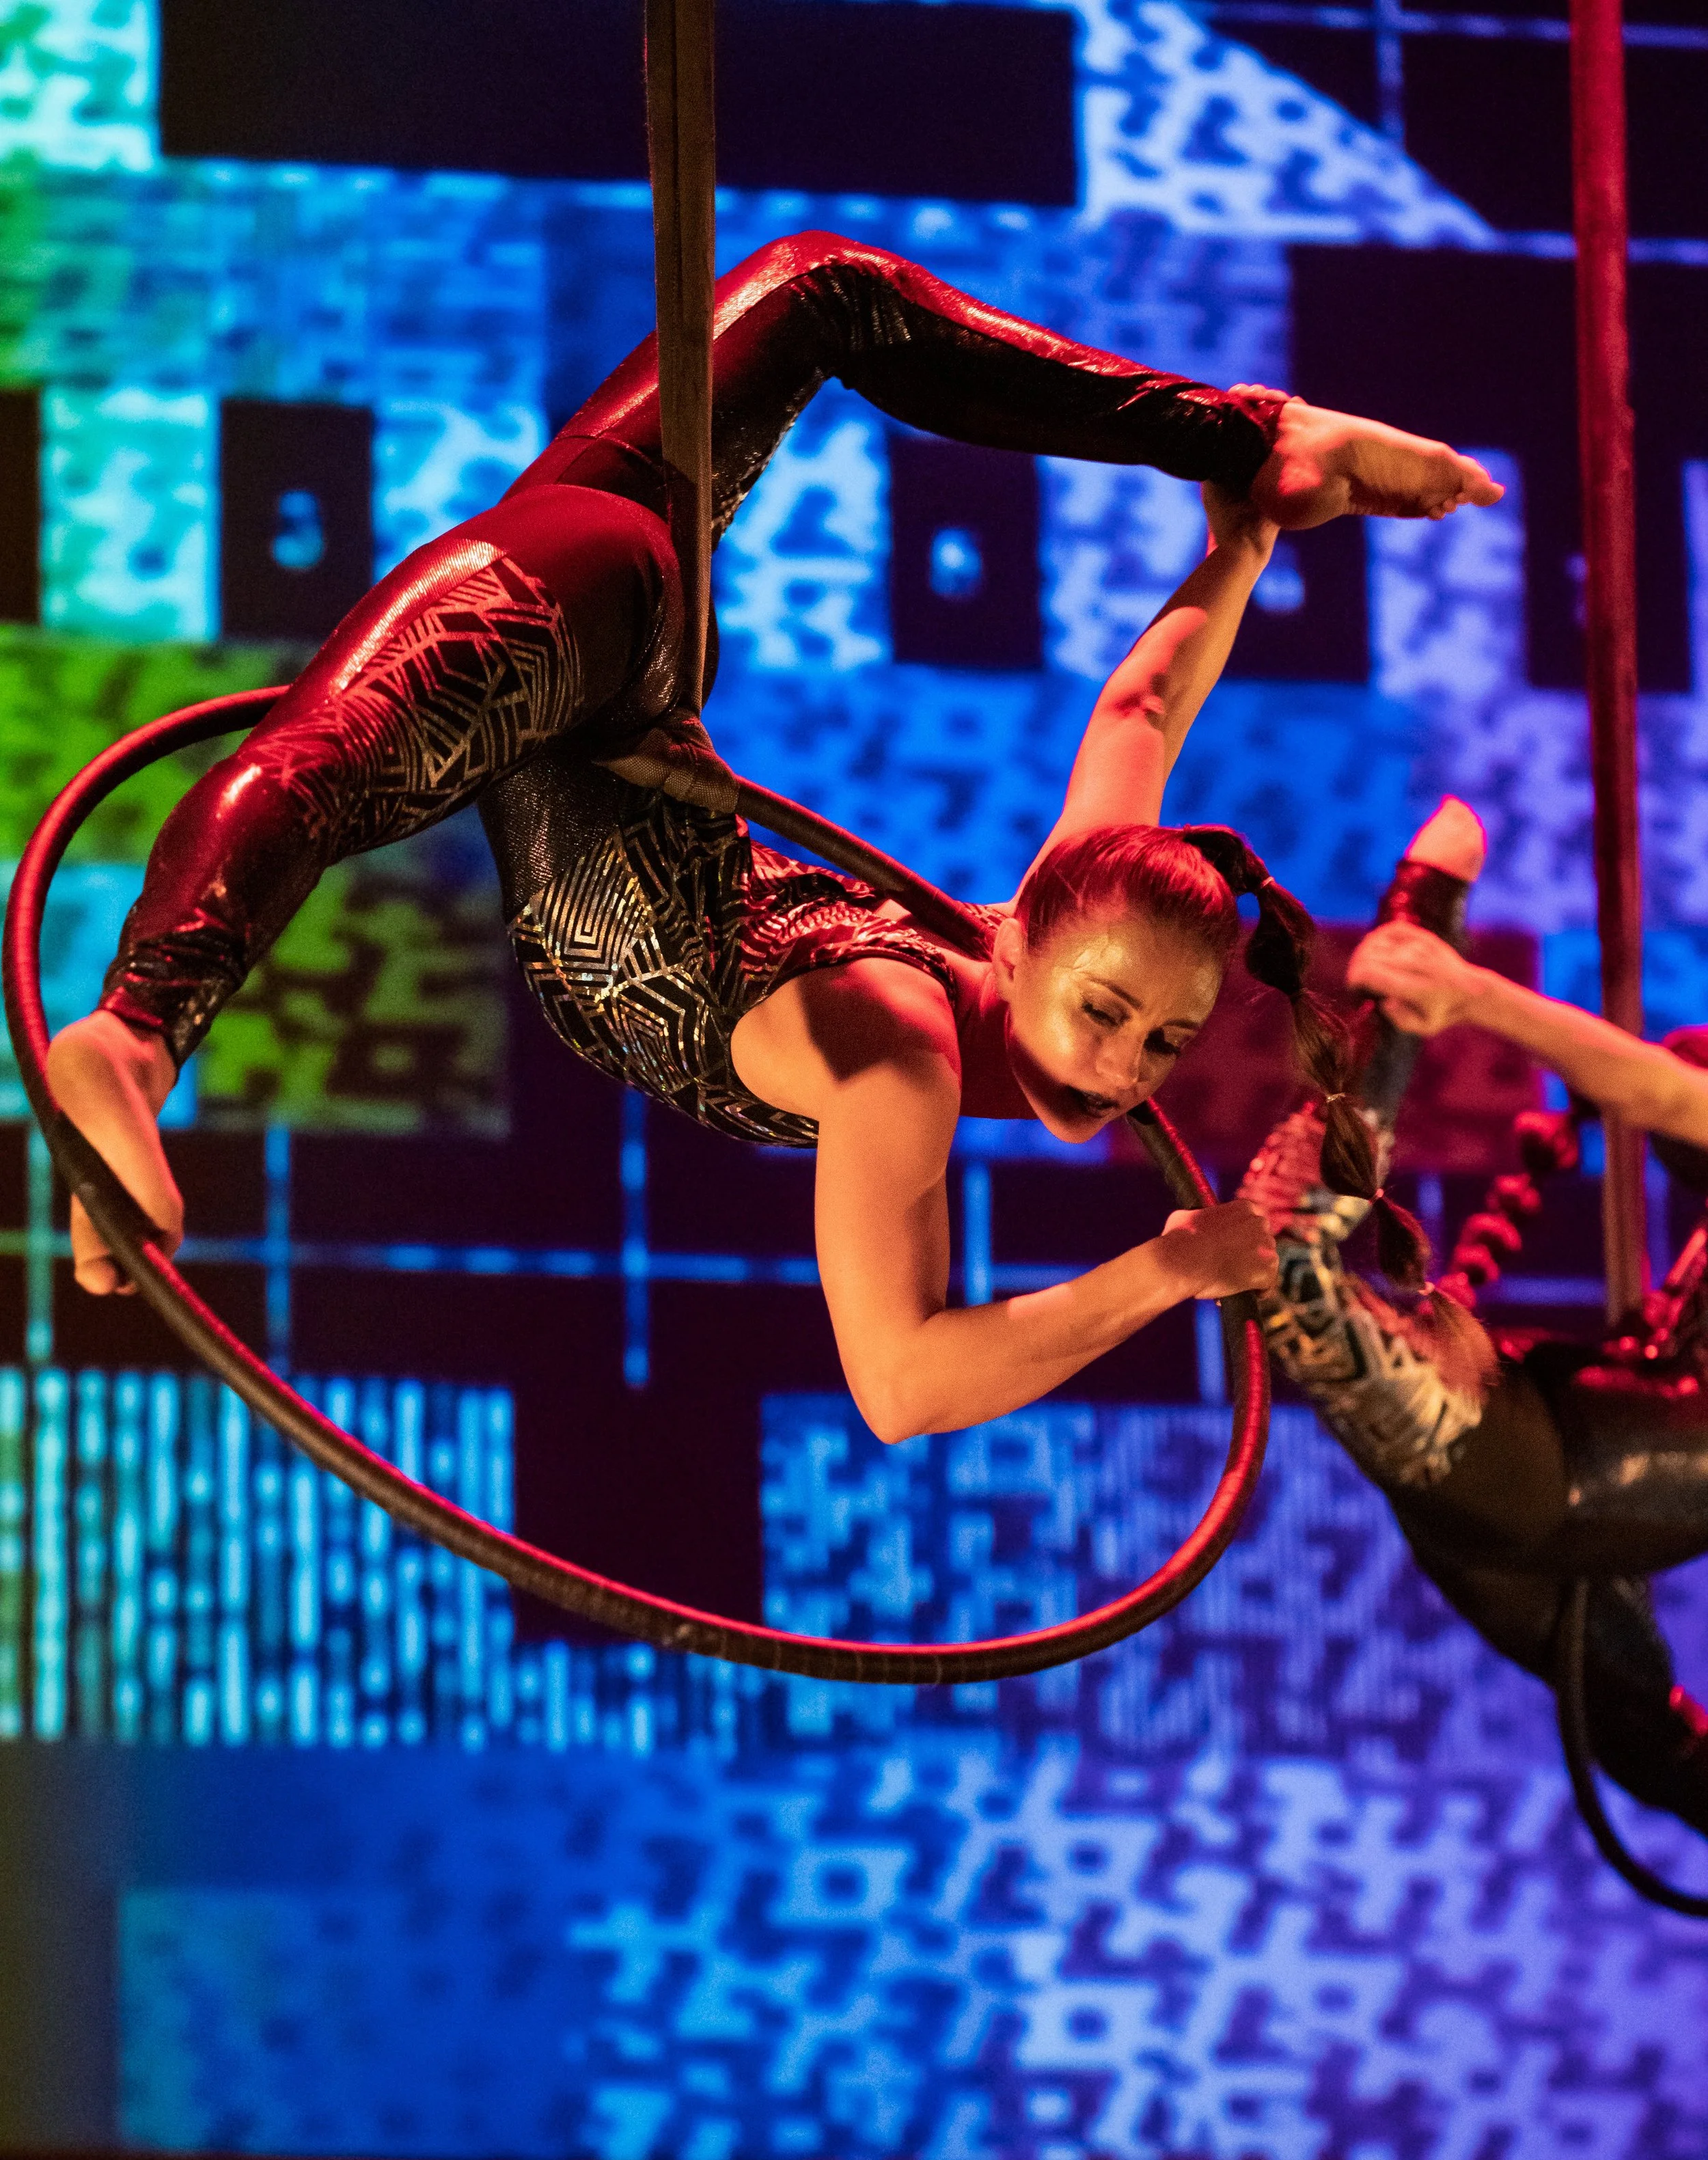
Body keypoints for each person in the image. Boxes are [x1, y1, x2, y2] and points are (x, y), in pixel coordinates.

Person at [44, 233, 1498, 1445]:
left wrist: (1239, 538)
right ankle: (138, 1032)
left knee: (819, 296)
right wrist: (1158, 1275)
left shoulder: (1034, 939)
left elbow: (1140, 709)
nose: (1120, 1067)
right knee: (348, 753)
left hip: (612, 654)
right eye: (1107, 1012)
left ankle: (1258, 439)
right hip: (613, 654)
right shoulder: (904, 1062)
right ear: (1024, 932)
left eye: (1162, 1047)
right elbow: (901, 1382)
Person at [1240, 798, 1708, 1835]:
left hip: (1609, 1463)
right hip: (1569, 1453)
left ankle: (1423, 924)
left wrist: (1471, 991)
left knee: (1284, 1258)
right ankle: (1421, 933)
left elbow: (1677, 1105)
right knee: (1646, 1738)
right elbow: (1676, 1093)